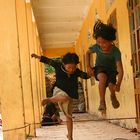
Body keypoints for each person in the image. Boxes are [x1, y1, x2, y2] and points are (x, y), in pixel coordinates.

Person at [31, 52, 90, 140]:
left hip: (69, 94)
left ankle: (70, 136)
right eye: (69, 67)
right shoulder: (58, 65)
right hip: (58, 90)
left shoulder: (76, 71)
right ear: (63, 64)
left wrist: (91, 73)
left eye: (73, 67)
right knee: (64, 97)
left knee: (69, 116)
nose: (71, 70)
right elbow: (48, 61)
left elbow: (84, 75)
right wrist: (37, 57)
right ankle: (50, 100)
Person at [86, 20, 124, 112]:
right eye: (98, 42)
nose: (101, 45)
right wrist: (88, 66)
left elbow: (120, 68)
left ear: (110, 41)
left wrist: (118, 84)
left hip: (111, 70)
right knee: (102, 78)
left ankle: (112, 95)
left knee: (111, 85)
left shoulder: (115, 51)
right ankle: (102, 102)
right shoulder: (96, 47)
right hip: (100, 68)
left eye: (103, 42)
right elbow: (87, 52)